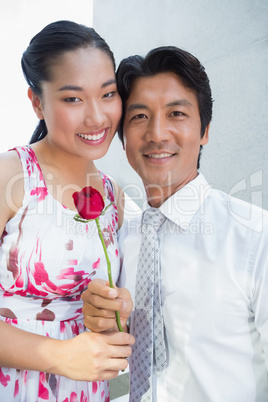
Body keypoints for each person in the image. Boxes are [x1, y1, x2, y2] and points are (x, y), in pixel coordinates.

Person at [82, 46, 268, 401]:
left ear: (205, 131)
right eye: (139, 117)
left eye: (177, 113)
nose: (157, 133)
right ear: (123, 139)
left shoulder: (256, 237)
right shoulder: (117, 241)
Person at [0, 20, 135, 402]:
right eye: (73, 99)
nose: (96, 117)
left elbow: (103, 321)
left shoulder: (116, 199)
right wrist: (58, 356)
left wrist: (109, 313)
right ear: (37, 102)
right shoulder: (10, 177)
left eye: (108, 94)